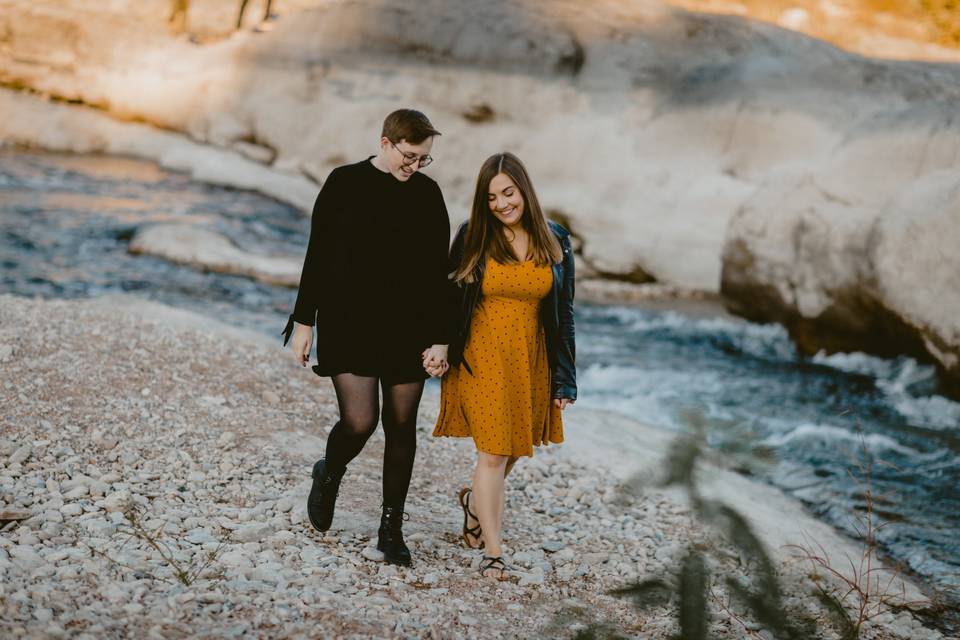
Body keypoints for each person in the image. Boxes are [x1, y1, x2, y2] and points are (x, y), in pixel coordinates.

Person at [283, 109, 453, 567]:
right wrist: (303, 322)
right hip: (349, 321)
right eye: (409, 155)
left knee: (402, 428)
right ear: (385, 142)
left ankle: (390, 530)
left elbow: (441, 274)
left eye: (423, 160)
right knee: (360, 422)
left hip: (409, 327)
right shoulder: (343, 183)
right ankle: (330, 471)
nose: (414, 166)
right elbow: (316, 255)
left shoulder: (427, 195)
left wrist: (441, 338)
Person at [428, 152, 577, 580]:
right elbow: (448, 297)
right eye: (491, 197)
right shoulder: (474, 235)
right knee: (493, 453)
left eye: (508, 193)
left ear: (524, 190)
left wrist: (565, 379)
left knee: (513, 448)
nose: (502, 204)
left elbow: (564, 312)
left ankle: (475, 504)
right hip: (482, 354)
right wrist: (440, 345)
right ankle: (493, 550)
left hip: (532, 357)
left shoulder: (556, 238)